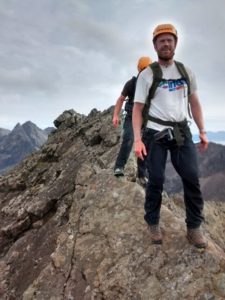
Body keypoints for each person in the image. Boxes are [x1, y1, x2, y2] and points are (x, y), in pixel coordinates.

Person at [132, 24, 209, 248]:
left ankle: (194, 227)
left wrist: (202, 130)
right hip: (155, 132)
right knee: (155, 179)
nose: (166, 44)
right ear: (155, 45)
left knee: (192, 177)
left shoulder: (186, 72)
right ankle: (153, 222)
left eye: (170, 40)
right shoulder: (147, 75)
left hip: (181, 130)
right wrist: (137, 139)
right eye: (161, 40)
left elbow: (194, 102)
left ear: (175, 43)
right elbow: (137, 109)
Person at [113, 56, 152, 186]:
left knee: (146, 145)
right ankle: (119, 166)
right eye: (144, 70)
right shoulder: (131, 84)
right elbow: (120, 99)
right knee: (129, 138)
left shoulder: (152, 85)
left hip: (147, 120)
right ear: (139, 70)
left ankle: (142, 175)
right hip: (131, 117)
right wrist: (115, 115)